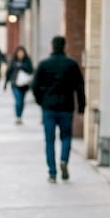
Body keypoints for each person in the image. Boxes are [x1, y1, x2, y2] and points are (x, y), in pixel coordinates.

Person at [32, 35, 85, 183]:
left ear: (52, 46)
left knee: (49, 141)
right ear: (64, 46)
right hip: (66, 107)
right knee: (66, 137)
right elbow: (80, 87)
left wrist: (40, 101)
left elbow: (35, 86)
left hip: (48, 108)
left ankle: (52, 173)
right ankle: (63, 160)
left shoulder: (44, 64)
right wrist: (81, 108)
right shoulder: (72, 64)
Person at [5, 45, 34, 124]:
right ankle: (18, 117)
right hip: (15, 84)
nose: (20, 54)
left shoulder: (27, 61)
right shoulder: (13, 61)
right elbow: (8, 72)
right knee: (18, 101)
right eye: (19, 53)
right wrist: (5, 83)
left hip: (24, 85)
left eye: (22, 53)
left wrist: (22, 66)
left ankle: (20, 116)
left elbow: (31, 70)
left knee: (22, 101)